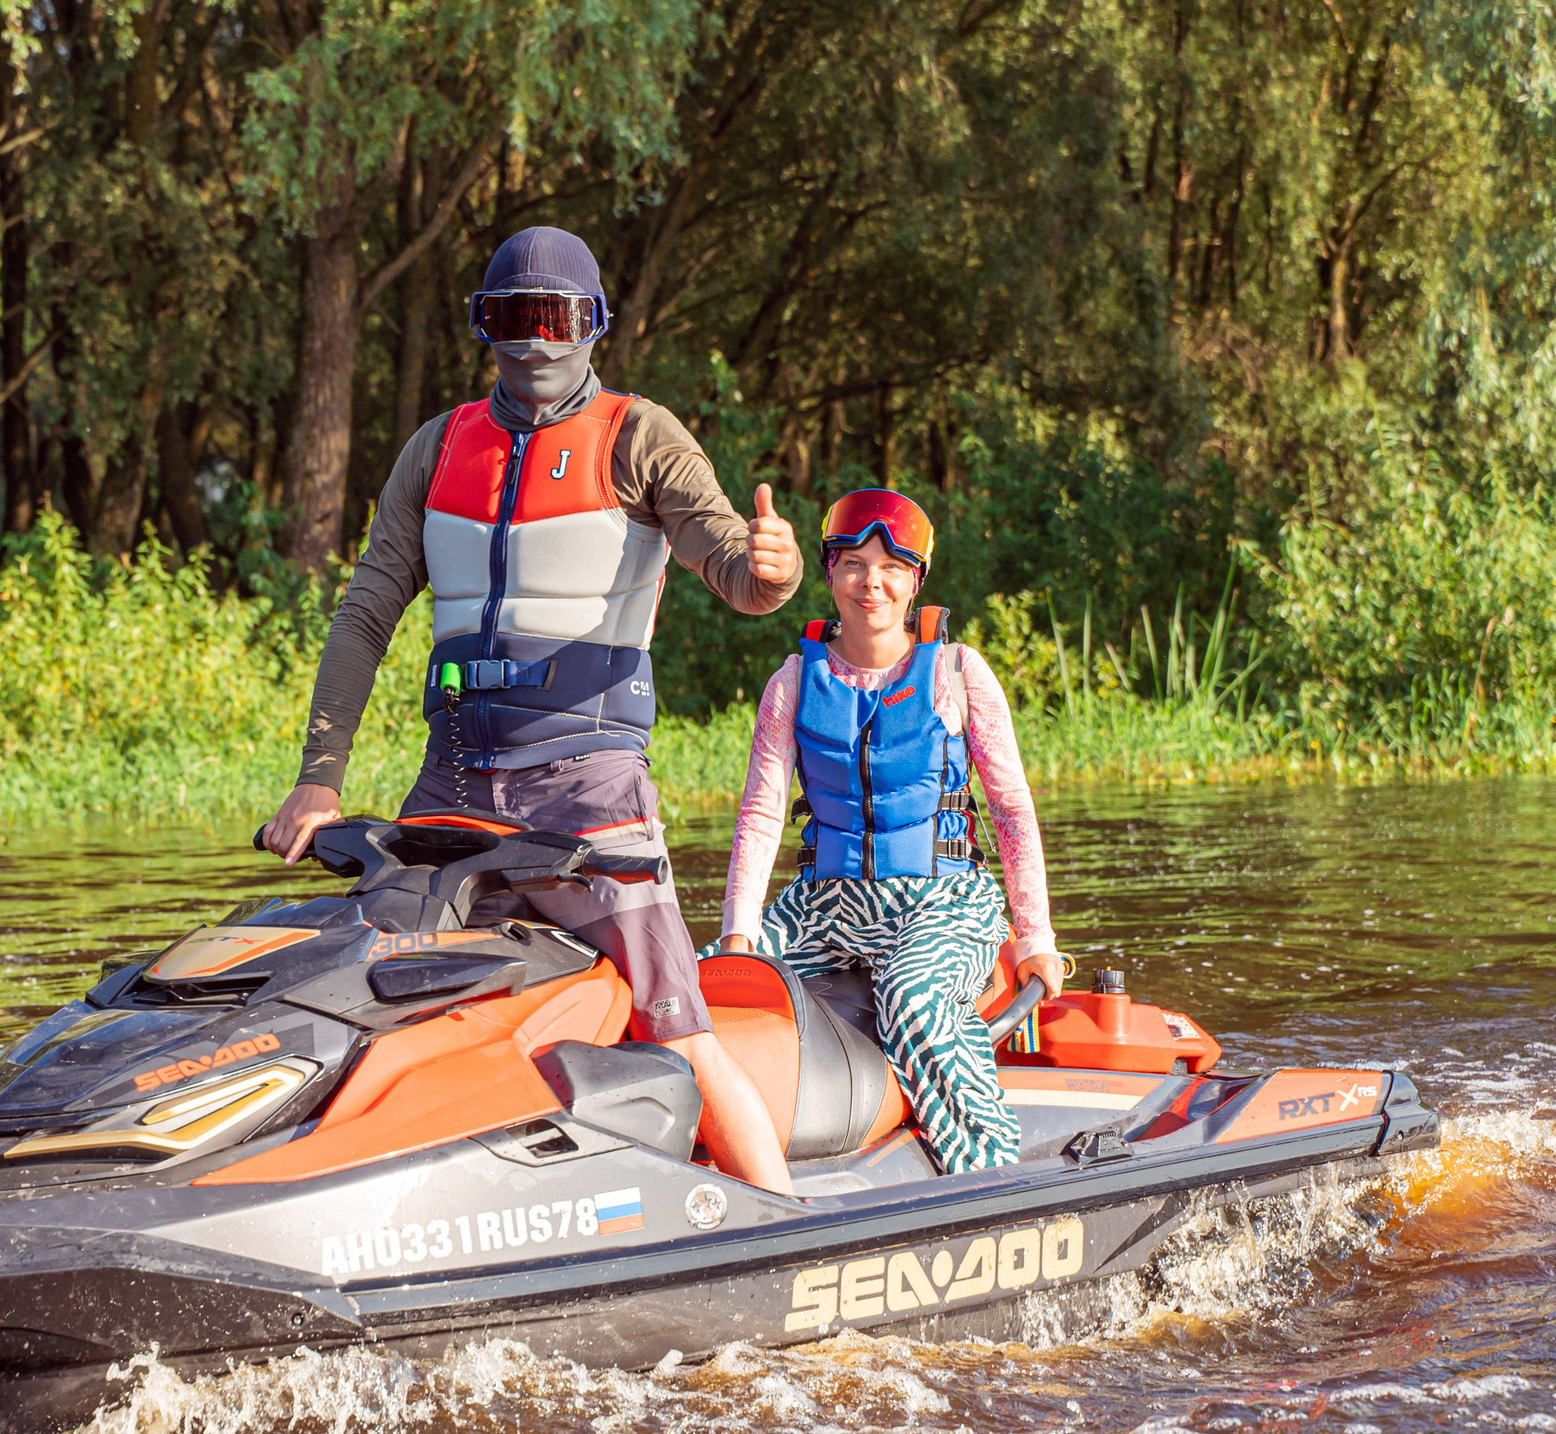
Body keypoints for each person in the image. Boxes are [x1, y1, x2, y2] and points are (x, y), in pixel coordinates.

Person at [261, 225, 805, 1195]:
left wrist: (771, 574)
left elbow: (730, 564)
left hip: (587, 787)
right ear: (484, 326)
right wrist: (318, 779)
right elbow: (366, 613)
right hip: (453, 783)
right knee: (373, 997)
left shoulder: (643, 436)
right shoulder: (436, 449)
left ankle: (791, 1227)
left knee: (673, 1019)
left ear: (593, 325)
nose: (536, 343)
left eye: (556, 320)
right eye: (513, 319)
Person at [714, 489, 1067, 1173]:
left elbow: (1013, 812)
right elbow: (760, 813)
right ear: (828, 572)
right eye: (851, 562)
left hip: (944, 901)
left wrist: (1036, 940)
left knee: (910, 993)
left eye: (889, 566)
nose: (869, 581)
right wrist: (738, 935)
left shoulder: (958, 673)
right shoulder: (792, 683)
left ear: (915, 580)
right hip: (827, 904)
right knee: (712, 982)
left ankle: (986, 1167)